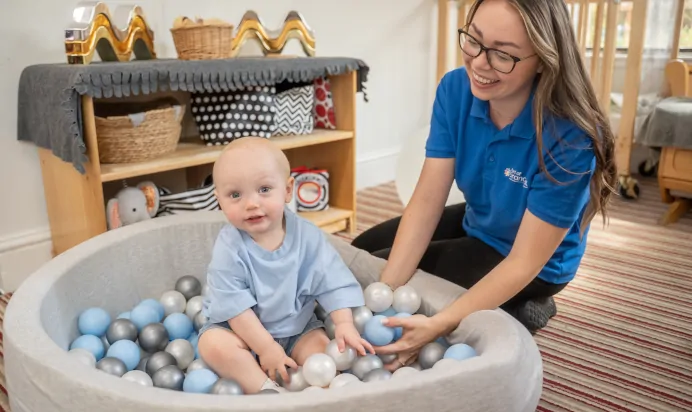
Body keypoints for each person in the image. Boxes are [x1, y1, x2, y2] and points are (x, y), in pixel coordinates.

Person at [351, 0, 617, 370]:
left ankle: (527, 305)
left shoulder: (571, 136)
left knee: (398, 278)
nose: (478, 62)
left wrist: (439, 324)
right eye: (473, 40)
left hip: (534, 262)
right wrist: (385, 295)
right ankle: (492, 301)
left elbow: (524, 260)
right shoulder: (455, 89)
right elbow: (427, 201)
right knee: (363, 254)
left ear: (542, 59)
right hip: (481, 220)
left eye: (503, 55)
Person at [197, 137, 374, 394]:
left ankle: (323, 394)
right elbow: (235, 308)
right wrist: (266, 348)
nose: (251, 203)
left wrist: (344, 323)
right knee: (213, 344)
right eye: (235, 195)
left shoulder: (307, 237)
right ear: (219, 201)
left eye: (264, 189)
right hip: (240, 332)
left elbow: (331, 278)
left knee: (323, 355)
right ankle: (266, 390)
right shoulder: (229, 248)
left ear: (288, 190)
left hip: (297, 329)